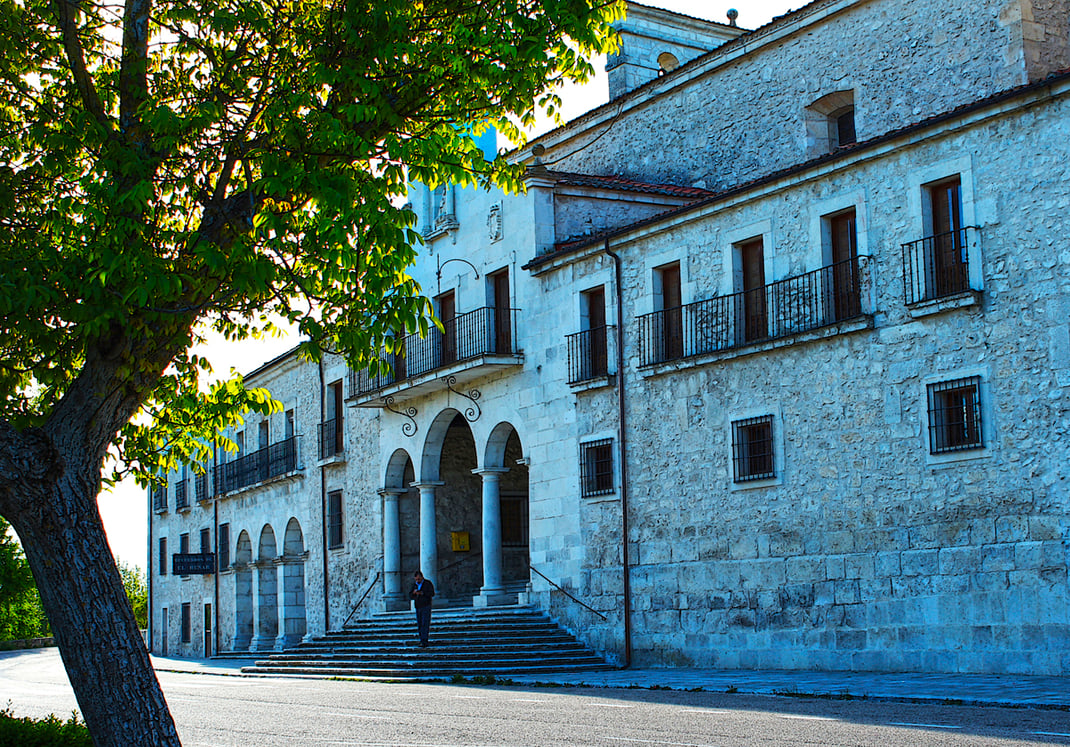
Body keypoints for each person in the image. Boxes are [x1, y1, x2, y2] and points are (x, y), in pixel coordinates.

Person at [409, 570, 435, 647]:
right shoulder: (414, 585)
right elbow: (410, 595)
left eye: (419, 579)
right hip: (418, 606)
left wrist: (422, 593)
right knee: (420, 624)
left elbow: (432, 593)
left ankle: (425, 640)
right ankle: (421, 640)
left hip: (426, 605)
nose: (418, 581)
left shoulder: (427, 584)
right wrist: (414, 593)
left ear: (422, 577)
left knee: (425, 623)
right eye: (416, 579)